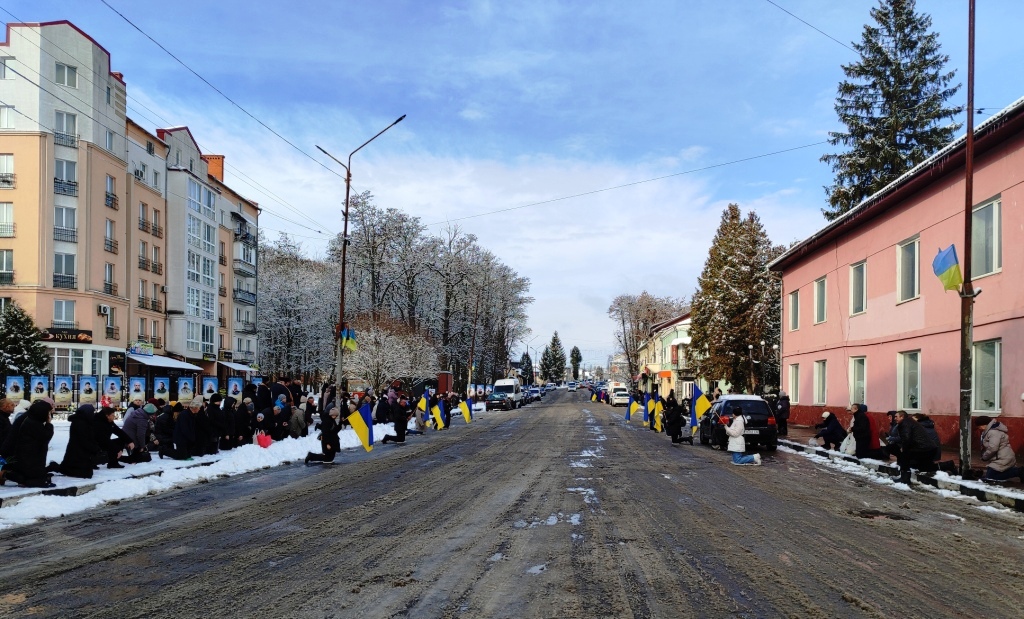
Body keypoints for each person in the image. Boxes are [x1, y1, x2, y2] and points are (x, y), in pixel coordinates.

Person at [1, 400, 57, 487]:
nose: (49, 415)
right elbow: (46, 436)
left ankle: (7, 473)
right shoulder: (32, 423)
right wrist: (49, 424)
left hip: (29, 457)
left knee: (36, 478)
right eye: (48, 413)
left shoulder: (32, 420)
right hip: (27, 457)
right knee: (33, 481)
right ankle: (6, 474)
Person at [893, 410, 938, 484]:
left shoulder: (905, 423)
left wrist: (904, 449)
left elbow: (907, 438)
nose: (895, 418)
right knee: (924, 467)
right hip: (928, 448)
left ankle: (905, 479)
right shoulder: (909, 422)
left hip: (923, 448)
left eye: (896, 417)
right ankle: (948, 465)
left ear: (902, 417)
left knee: (904, 456)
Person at [59, 405, 101, 478]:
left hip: (79, 452)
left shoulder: (83, 421)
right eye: (92, 412)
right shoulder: (80, 423)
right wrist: (95, 448)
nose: (93, 414)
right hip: (78, 452)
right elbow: (84, 440)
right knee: (84, 473)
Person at [976, 416, 1023, 482]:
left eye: (979, 426)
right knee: (990, 476)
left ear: (984, 425)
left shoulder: (993, 432)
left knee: (990, 478)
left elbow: (993, 448)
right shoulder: (991, 431)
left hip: (1002, 459)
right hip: (1002, 457)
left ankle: (1018, 472)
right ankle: (1015, 471)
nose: (979, 429)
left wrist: (985, 457)